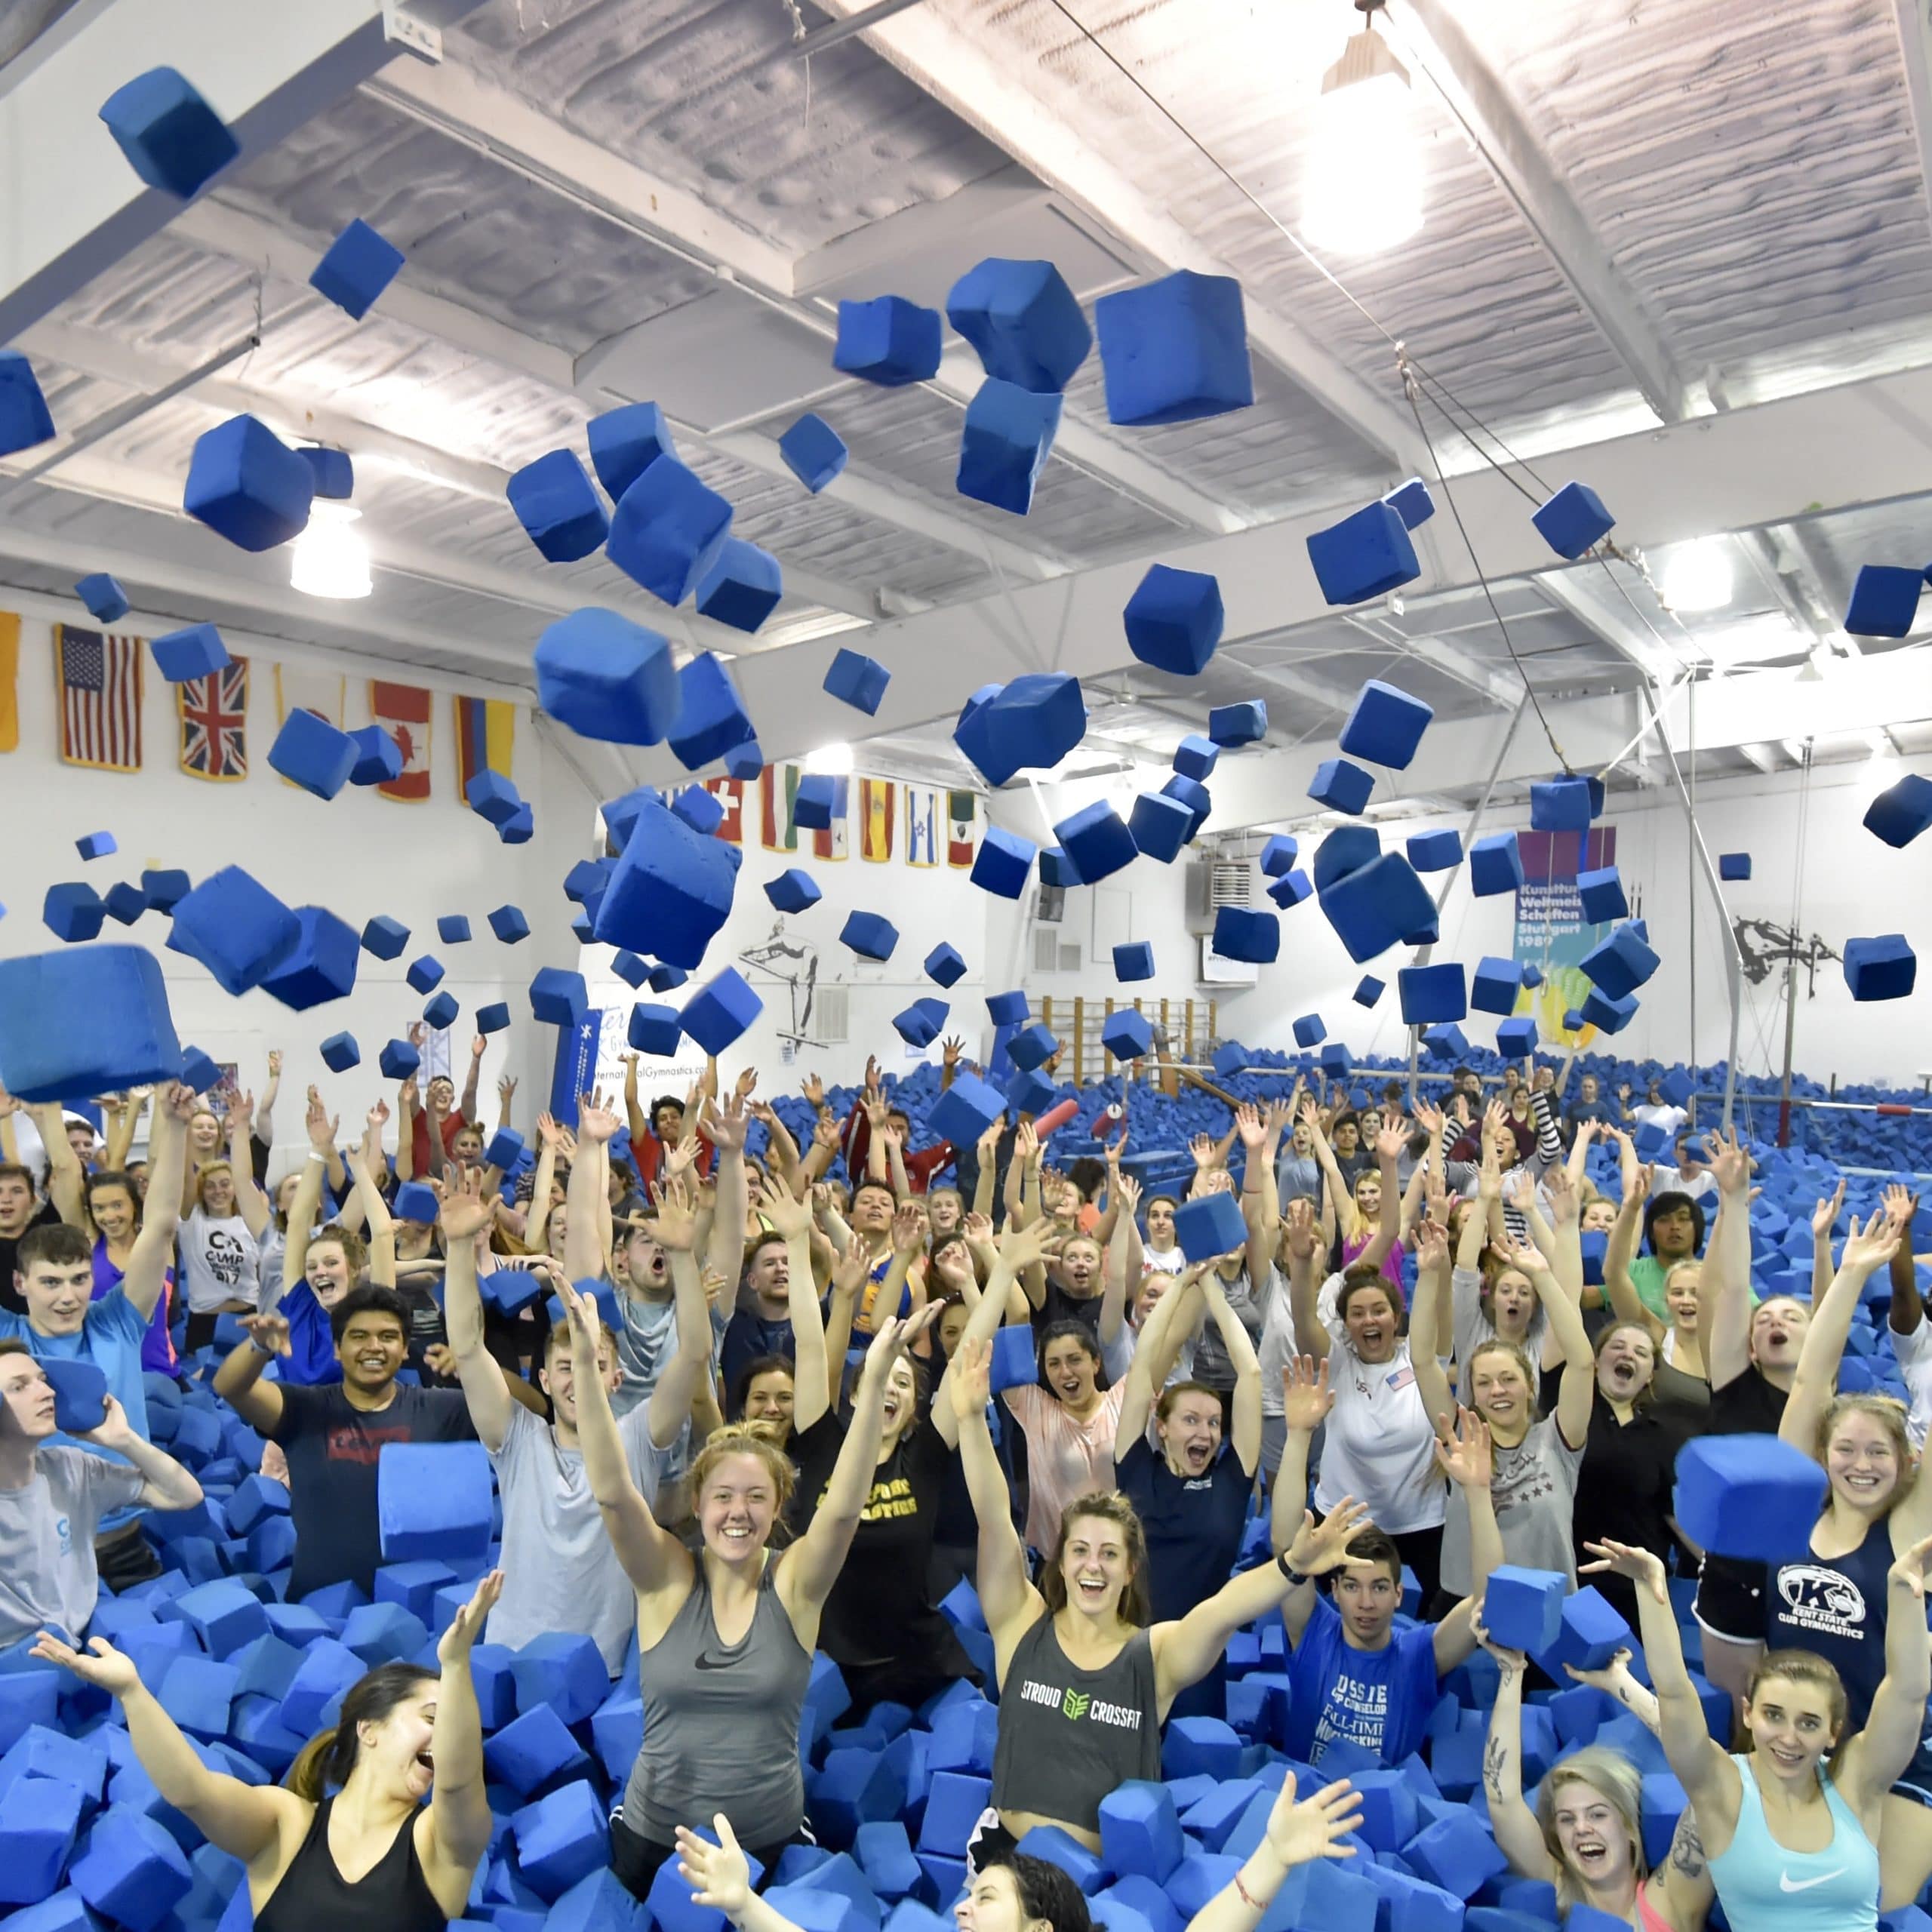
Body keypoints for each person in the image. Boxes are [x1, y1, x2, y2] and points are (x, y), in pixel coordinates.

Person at [561, 1254, 934, 1899]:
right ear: (699, 1504)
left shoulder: (795, 1584)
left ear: (778, 1507)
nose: (738, 1512)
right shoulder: (668, 1578)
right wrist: (590, 1371)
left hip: (767, 1844)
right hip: (656, 1840)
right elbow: (615, 1494)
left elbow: (843, 1509)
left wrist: (873, 1384)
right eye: (724, 1497)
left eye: (757, 1497)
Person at [949, 1332, 1370, 1857]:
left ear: (1130, 1570)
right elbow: (994, 1519)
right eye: (1080, 1550)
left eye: (1109, 1554)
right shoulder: (1021, 1623)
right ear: (1061, 1559)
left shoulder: (1153, 1655)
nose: (1093, 1565)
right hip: (1003, 1858)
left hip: (1103, 1880)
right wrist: (971, 1420)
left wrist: (1292, 1566)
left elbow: (1223, 1610)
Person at [35, 1571, 505, 1928]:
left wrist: (456, 1665)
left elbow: (459, 1780)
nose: (445, 1738)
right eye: (432, 1719)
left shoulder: (438, 1842)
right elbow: (191, 1792)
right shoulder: (287, 1824)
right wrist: (132, 1693)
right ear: (369, 1730)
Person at [438, 1166, 710, 1674]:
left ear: (616, 1379)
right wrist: (458, 1249)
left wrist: (682, 1255)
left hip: (601, 1667)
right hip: (511, 1659)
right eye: (565, 1367)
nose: (577, 1378)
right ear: (543, 1380)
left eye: (593, 1364)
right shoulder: (517, 1438)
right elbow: (468, 1348)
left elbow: (694, 1352)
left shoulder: (639, 1437)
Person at [1589, 1533, 1932, 1932]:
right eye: (1774, 1715)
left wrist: (1904, 1591)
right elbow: (1675, 1692)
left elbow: (1907, 1692)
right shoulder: (1722, 1788)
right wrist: (1649, 1588)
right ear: (1749, 1714)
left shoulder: (1856, 1784)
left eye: (1809, 1723)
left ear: (1833, 1733)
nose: (1789, 1737)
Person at [1765, 1198, 1932, 1905]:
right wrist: (1853, 1272)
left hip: (1888, 1759)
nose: (1861, 1465)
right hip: (1789, 1746)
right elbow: (1810, 1381)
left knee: (1878, 1910)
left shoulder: (1907, 1531)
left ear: (1906, 1463)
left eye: (1878, 1453)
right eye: (1846, 1449)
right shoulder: (1794, 1507)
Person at [0, 1085, 187, 1591]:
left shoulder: (118, 1321)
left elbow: (161, 1226)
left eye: (79, 1280)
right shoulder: (7, 1339)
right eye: (50, 1283)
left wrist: (173, 1125)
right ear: (20, 1284)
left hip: (122, 1547)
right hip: (35, 1559)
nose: (68, 1297)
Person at [1275, 1355, 1502, 1761]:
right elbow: (1285, 1545)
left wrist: (1478, 1493)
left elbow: (1487, 1602)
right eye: (1352, 1587)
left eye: (1379, 1588)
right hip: (1305, 1799)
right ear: (1334, 1590)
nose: (1366, 1602)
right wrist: (1297, 1437)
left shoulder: (1417, 1656)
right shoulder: (1312, 1634)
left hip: (1387, 1804)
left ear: (1399, 1595)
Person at [216, 1285, 478, 1601]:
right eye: (359, 1336)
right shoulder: (305, 1409)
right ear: (337, 1349)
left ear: (405, 1349)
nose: (374, 1347)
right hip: (317, 1607)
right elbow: (231, 1388)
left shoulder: (438, 1409)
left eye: (388, 1337)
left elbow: (523, 1408)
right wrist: (259, 1346)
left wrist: (476, 1367)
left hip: (412, 1607)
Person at [1477, 1619, 1712, 1928]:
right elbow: (1502, 1798)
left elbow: (1712, 1781)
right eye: (1566, 1819)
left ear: (1629, 1828)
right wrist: (1511, 1672)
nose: (1581, 1828)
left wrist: (1621, 1685)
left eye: (1597, 1815)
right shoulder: (1557, 1894)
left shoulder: (1672, 1899)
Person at [1411, 1223, 1596, 1599]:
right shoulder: (1461, 1436)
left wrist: (1543, 1277)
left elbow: (1582, 1363)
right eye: (1484, 1382)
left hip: (1547, 1607)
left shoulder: (1559, 1438)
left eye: (1508, 1379)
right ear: (1474, 1394)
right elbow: (1422, 1361)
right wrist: (1428, 1277)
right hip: (1466, 1604)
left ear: (1530, 1386)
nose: (1497, 1390)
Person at [1694, 1128, 1812, 1706]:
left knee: (1805, 1711)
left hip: (1804, 1581)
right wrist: (1734, 1203)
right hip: (1733, 1579)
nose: (1774, 1322)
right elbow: (1734, 1290)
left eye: (1791, 1316)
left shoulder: (1824, 1409)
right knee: (1743, 1713)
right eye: (1765, 1320)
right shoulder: (1735, 1386)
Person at [1113, 1260, 1261, 1720]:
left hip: (1199, 1663)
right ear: (1162, 1426)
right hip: (1128, 1653)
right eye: (1191, 1420)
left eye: (1214, 1423)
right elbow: (1142, 1366)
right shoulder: (1136, 1467)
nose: (1206, 1432)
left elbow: (1251, 1374)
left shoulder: (1231, 1480)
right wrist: (1180, 1283)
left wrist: (1213, 1288)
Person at [1284, 1198, 1448, 1602]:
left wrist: (1436, 1269)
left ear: (1396, 1317)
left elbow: (1442, 1311)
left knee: (1433, 1617)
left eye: (1379, 1311)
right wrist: (1301, 1264)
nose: (1370, 1320)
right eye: (1358, 1314)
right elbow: (1304, 1322)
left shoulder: (1421, 1359)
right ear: (1346, 1324)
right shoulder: (1338, 1362)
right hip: (1345, 1524)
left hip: (1423, 1523)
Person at [0, 1344, 204, 1652]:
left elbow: (185, 1496)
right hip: (18, 1660)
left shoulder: (70, 1468)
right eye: (19, 1387)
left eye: (42, 1380)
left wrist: (124, 1440)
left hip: (82, 1641)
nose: (48, 1392)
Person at [83, 1166, 177, 1376]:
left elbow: (164, 1176)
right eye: (99, 1208)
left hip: (160, 1372)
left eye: (117, 1205)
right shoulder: (89, 1247)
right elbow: (64, 1167)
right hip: (106, 1375)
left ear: (135, 1204)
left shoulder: (158, 1245)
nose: (109, 1216)